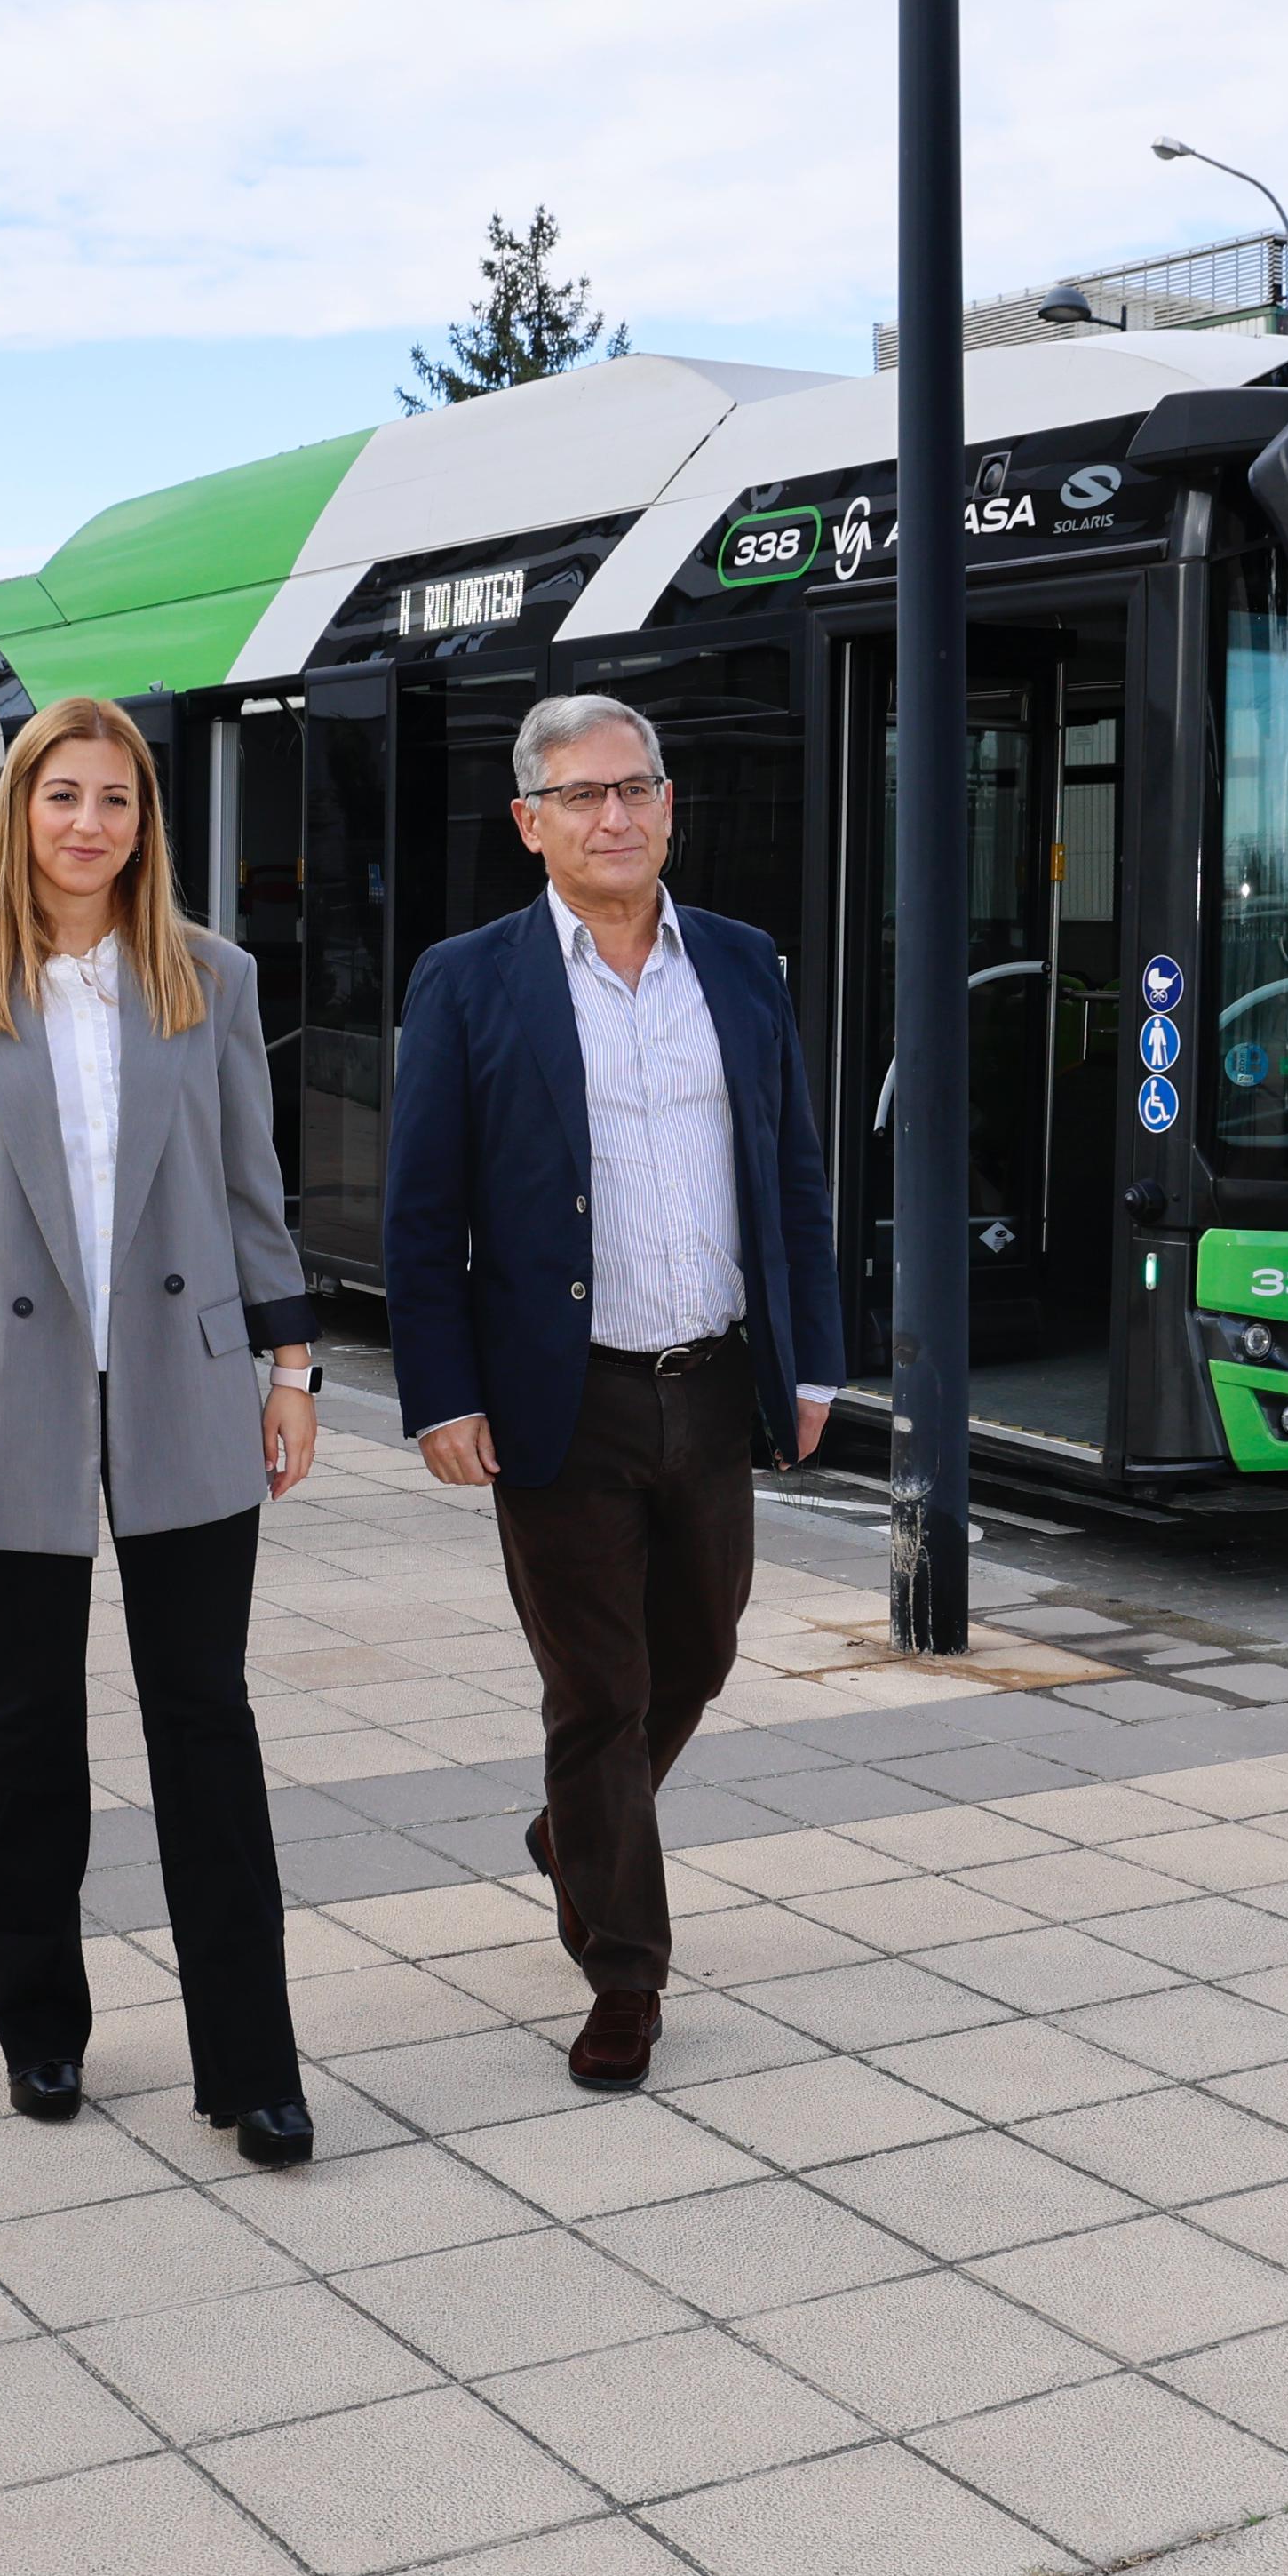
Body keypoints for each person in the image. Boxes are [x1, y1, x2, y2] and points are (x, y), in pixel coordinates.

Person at [0, 695, 325, 2165]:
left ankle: (251, 2060)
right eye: (63, 794)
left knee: (206, 1716)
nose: (89, 821)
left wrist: (293, 1368)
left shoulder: (211, 977)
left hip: (188, 1378)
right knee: (28, 1716)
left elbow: (254, 1187)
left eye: (116, 798)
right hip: (9, 1391)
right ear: (18, 813)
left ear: (144, 823)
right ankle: (39, 2025)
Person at [381, 692, 839, 2093]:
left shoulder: (743, 965)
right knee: (598, 1689)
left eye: (635, 787)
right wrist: (441, 1393)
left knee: (699, 1649)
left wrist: (815, 1356)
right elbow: (421, 1211)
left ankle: (575, 1829)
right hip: (557, 1397)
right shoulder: (468, 981)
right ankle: (625, 1973)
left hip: (713, 1379)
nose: (614, 815)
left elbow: (795, 1174)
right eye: (581, 795)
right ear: (532, 824)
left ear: (669, 804)